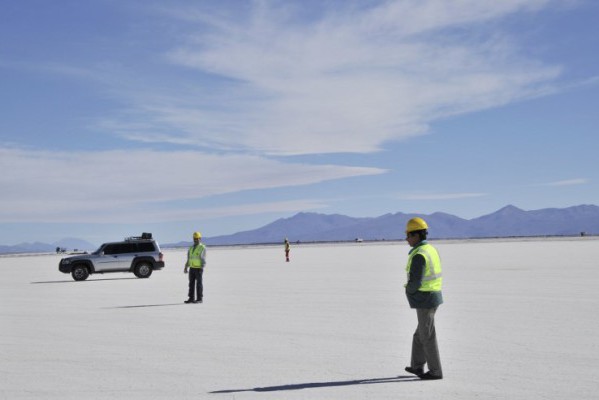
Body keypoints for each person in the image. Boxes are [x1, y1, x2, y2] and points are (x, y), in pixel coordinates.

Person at [403, 217, 444, 380]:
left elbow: (416, 282)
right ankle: (417, 366)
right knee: (420, 333)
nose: (406, 239)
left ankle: (436, 371)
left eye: (408, 235)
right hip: (432, 296)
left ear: (416, 235)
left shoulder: (419, 254)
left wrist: (409, 290)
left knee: (427, 335)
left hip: (425, 298)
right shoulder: (430, 249)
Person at [184, 231, 207, 304]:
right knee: (191, 283)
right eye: (194, 238)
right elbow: (189, 258)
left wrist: (202, 267)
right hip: (192, 268)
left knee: (199, 284)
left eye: (197, 238)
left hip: (198, 268)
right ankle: (191, 298)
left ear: (200, 238)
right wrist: (186, 267)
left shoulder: (202, 247)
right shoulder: (191, 248)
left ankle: (199, 299)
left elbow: (203, 258)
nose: (196, 240)